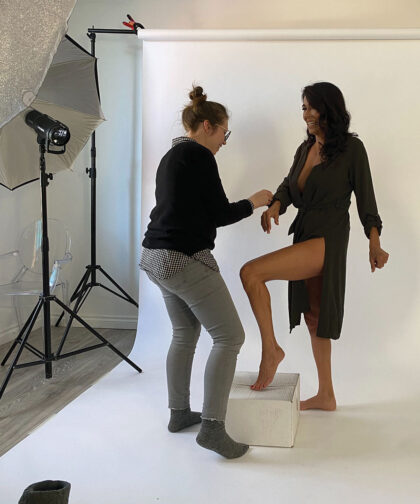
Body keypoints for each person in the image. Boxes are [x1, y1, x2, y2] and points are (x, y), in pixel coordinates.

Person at [140, 85, 272, 458]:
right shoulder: (198, 156)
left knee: (185, 332)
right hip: (181, 257)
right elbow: (218, 214)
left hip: (154, 255)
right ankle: (213, 428)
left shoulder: (173, 154)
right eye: (224, 133)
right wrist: (254, 201)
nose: (225, 142)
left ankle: (179, 414)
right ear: (208, 126)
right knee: (230, 337)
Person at [240, 82, 389, 410]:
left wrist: (374, 244)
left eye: (310, 107)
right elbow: (289, 185)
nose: (305, 113)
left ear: (328, 108)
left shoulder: (351, 149)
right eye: (303, 108)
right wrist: (277, 205)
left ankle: (271, 350)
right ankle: (326, 395)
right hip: (306, 233)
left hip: (330, 237)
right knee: (314, 315)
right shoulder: (305, 148)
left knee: (251, 273)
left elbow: (367, 202)